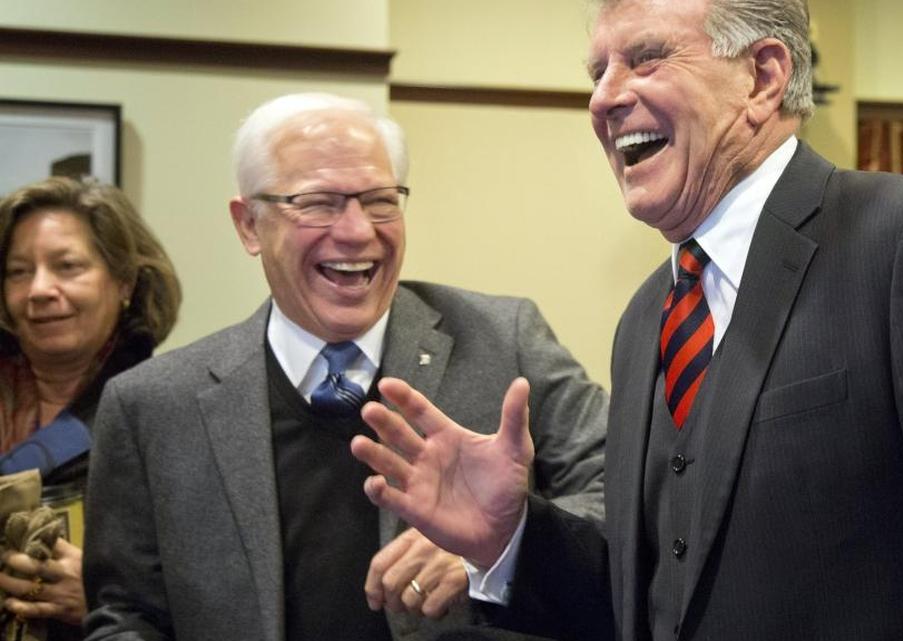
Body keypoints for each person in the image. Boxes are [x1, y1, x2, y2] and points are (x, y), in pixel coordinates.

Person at [349, 0, 903, 639]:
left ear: (763, 75)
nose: (604, 98)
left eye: (645, 59)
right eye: (596, 71)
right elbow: (654, 600)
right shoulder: (646, 318)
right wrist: (511, 537)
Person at [81, 93, 607, 641]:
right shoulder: (153, 407)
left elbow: (631, 499)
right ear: (249, 225)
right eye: (318, 203)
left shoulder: (505, 340)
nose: (358, 231)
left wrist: (502, 543)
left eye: (381, 200)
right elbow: (124, 616)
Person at [0, 176, 181, 639]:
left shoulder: (169, 416)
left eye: (67, 266)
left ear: (124, 282)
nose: (39, 289)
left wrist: (109, 600)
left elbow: (233, 599)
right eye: (18, 271)